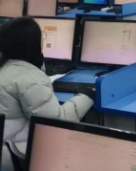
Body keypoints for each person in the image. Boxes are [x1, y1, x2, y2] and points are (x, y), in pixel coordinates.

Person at [0, 18, 94, 169]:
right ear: (32, 44)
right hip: (13, 154)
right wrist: (87, 94)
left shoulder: (6, 66)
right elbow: (57, 122)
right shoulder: (28, 78)